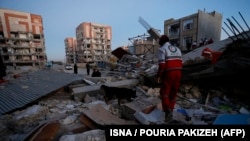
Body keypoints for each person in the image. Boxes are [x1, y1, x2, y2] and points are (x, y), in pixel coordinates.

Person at [156, 35, 183, 122]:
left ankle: (167, 112)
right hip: (178, 72)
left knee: (164, 92)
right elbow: (181, 62)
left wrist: (159, 75)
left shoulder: (162, 49)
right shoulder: (177, 49)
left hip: (169, 73)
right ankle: (171, 109)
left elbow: (162, 65)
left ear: (161, 42)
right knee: (173, 92)